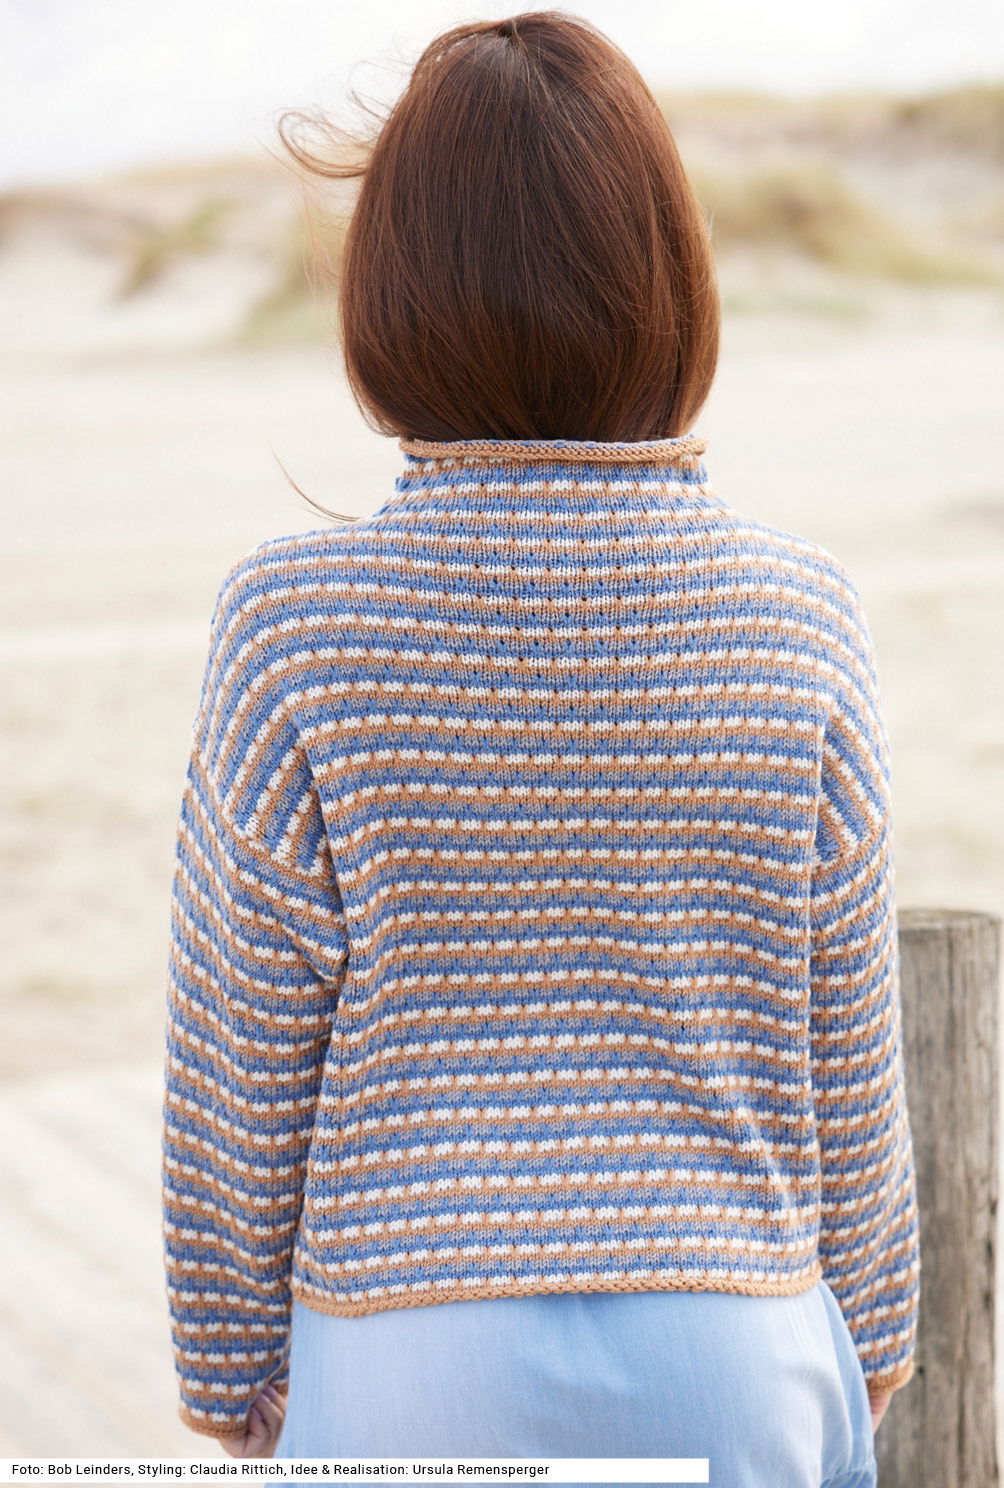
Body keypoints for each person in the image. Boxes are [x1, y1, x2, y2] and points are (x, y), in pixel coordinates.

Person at [160, 12, 920, 1485]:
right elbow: (851, 1041)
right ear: (672, 283)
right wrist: (870, 1338)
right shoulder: (802, 613)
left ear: (394, 297)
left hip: (405, 1343)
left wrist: (228, 1359)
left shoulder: (291, 625)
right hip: (733, 1329)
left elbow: (237, 1044)